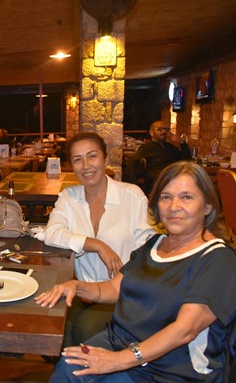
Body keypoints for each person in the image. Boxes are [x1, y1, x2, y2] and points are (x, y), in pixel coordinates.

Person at [38, 161, 236, 383]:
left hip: (172, 370)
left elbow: (185, 330)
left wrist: (117, 360)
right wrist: (76, 286)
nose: (174, 206)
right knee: (67, 369)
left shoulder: (217, 259)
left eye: (187, 197)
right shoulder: (155, 243)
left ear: (207, 207)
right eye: (166, 197)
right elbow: (115, 288)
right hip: (122, 341)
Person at [37, 132, 154, 345]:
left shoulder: (132, 196)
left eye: (92, 156)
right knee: (49, 319)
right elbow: (52, 234)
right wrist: (96, 245)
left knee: (84, 331)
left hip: (123, 294)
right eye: (78, 159)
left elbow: (147, 252)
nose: (86, 166)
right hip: (83, 291)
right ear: (71, 166)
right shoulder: (68, 197)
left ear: (105, 158)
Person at [126, 121, 191, 195]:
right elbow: (131, 163)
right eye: (160, 129)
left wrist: (181, 142)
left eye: (166, 130)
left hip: (174, 180)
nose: (164, 132)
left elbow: (187, 160)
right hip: (157, 183)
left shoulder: (170, 147)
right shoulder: (147, 147)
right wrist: (134, 186)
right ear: (151, 132)